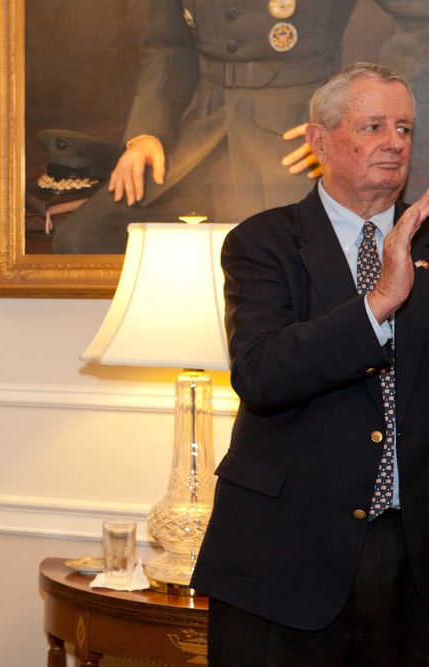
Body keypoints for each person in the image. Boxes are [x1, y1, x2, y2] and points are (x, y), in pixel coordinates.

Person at [189, 63, 429, 665]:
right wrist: (377, 306)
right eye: (373, 125)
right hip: (286, 559)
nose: (395, 142)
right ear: (319, 141)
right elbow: (263, 374)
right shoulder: (262, 243)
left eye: (404, 127)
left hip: (412, 556)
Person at [53, 0, 429, 255]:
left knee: (275, 265)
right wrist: (147, 132)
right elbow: (168, 45)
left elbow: (420, 16)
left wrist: (363, 120)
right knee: (83, 238)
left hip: (299, 142)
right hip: (204, 134)